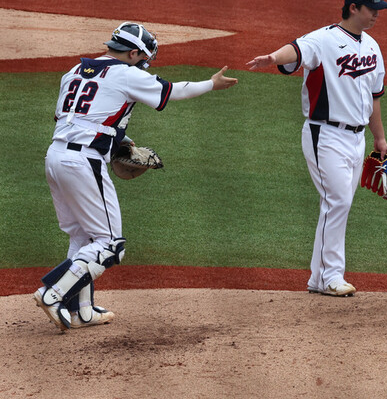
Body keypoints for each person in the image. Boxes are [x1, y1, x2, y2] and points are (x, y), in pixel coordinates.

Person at [35, 22, 238, 331]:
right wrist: (211, 83)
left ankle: (83, 311)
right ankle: (54, 293)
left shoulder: (73, 72)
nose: (146, 67)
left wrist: (120, 140)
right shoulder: (126, 73)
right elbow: (173, 91)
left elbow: (78, 119)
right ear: (133, 53)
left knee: (84, 236)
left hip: (55, 157)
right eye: (145, 60)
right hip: (83, 162)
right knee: (110, 244)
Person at [247, 0, 387, 297]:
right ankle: (332, 276)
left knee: (339, 204)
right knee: (337, 201)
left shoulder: (372, 47)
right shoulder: (324, 40)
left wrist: (379, 140)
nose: (376, 15)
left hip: (357, 139)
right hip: (323, 134)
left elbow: (375, 98)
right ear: (353, 8)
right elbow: (296, 50)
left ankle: (318, 278)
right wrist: (272, 58)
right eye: (371, 9)